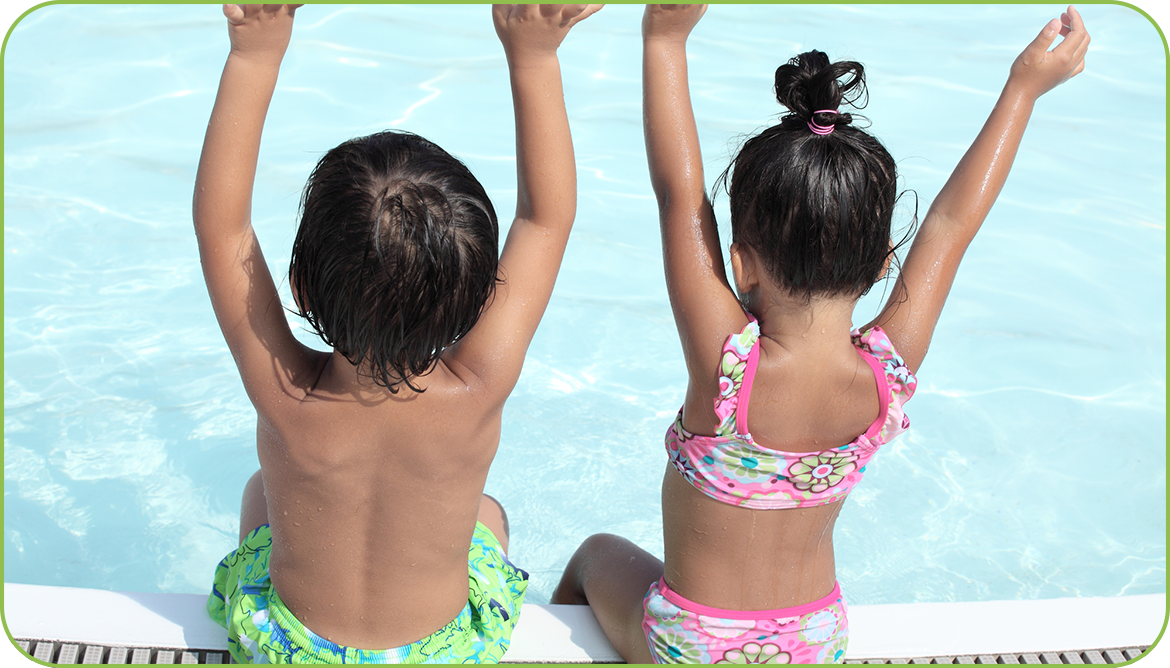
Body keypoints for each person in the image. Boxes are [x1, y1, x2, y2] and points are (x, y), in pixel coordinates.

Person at [553, 4, 1089, 664]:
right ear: (885, 259)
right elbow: (951, 227)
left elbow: (677, 194)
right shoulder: (885, 377)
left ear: (741, 262)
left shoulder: (730, 363)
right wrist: (1023, 87)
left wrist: (663, 36)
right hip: (817, 638)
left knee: (594, 556)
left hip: (693, 644)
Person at [194, 3, 600, 662]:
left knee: (256, 493)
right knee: (488, 515)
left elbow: (223, 227)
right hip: (441, 653)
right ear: (477, 306)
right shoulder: (479, 385)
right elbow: (546, 220)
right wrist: (535, 56)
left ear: (300, 285)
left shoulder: (285, 392)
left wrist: (253, 54)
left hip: (293, 650)